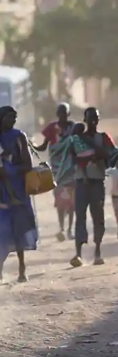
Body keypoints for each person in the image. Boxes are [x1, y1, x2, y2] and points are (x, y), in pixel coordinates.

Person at [0, 106, 38, 284]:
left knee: (19, 226)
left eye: (14, 117)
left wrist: (10, 171)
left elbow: (27, 165)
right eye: (9, 117)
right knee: (1, 228)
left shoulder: (19, 136)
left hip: (17, 188)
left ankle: (22, 269)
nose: (13, 120)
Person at [69, 107, 115, 267]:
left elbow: (112, 156)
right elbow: (71, 158)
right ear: (85, 120)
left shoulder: (103, 138)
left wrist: (99, 155)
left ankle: (97, 252)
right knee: (80, 217)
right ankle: (78, 254)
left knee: (98, 218)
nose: (93, 121)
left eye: (95, 118)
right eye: (90, 118)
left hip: (96, 181)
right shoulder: (76, 139)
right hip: (81, 182)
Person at [33, 103, 76, 241]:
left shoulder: (73, 127)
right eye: (60, 113)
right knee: (59, 199)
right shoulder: (52, 128)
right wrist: (31, 146)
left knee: (72, 200)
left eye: (64, 113)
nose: (62, 115)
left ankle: (70, 229)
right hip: (56, 169)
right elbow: (43, 146)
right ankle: (62, 228)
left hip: (71, 168)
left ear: (68, 114)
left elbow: (78, 144)